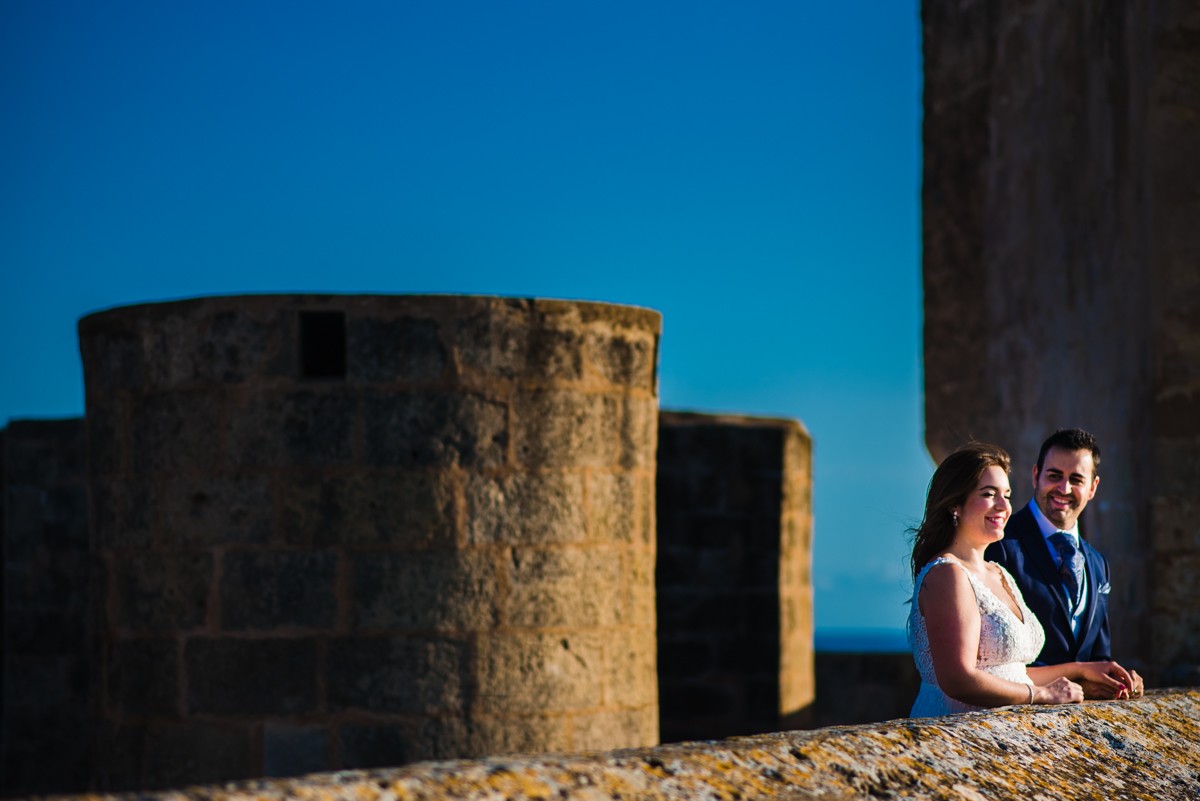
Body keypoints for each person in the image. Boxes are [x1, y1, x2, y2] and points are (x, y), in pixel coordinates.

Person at [907, 442, 1132, 717]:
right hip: (954, 735)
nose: (1003, 506)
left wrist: (1081, 670)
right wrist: (1042, 695)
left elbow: (1012, 673)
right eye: (989, 494)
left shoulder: (999, 574)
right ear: (955, 505)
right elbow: (958, 679)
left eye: (1007, 495)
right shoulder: (947, 574)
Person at [985, 428, 1144, 699]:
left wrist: (1116, 679)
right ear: (1036, 475)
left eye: (1076, 479)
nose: (1064, 488)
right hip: (1015, 714)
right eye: (1054, 475)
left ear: (1093, 487)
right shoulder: (999, 544)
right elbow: (992, 659)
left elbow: (1097, 655)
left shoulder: (1097, 564)